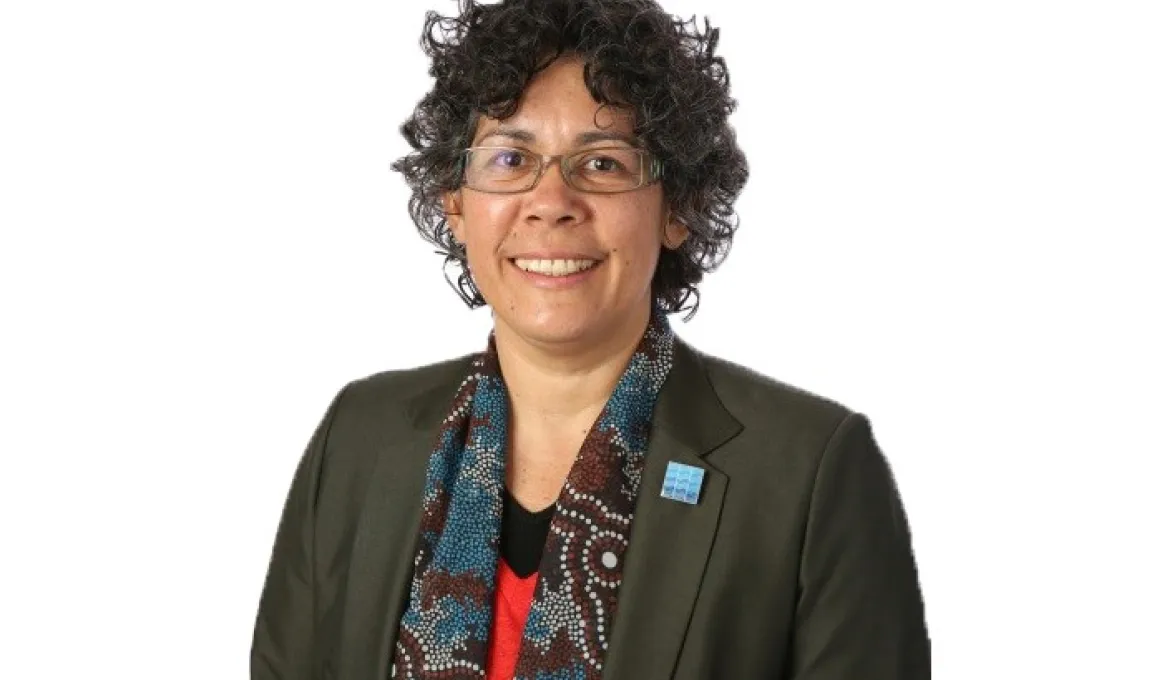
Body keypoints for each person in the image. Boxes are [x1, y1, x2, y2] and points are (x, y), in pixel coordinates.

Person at [249, 0, 930, 678]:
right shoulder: (359, 436)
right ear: (454, 203)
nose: (551, 201)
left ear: (679, 208)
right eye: (511, 158)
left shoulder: (810, 472)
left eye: (602, 164)